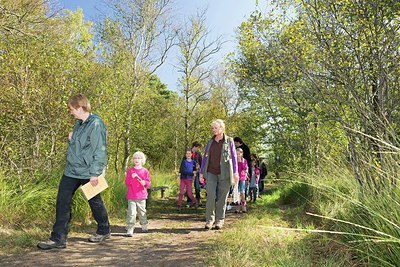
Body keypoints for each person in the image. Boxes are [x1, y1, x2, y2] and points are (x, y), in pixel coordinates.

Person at [37, 94, 110, 250]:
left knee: (95, 201)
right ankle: (58, 239)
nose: (70, 112)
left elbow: (99, 150)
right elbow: (80, 146)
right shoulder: (78, 124)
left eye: (71, 109)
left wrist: (95, 173)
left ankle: (104, 229)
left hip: (88, 171)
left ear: (80, 107)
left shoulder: (96, 124)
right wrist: (72, 139)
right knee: (62, 201)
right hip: (71, 170)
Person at [200, 119, 239, 230]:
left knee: (222, 198)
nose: (213, 130)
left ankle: (219, 221)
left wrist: (235, 172)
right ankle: (209, 220)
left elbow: (234, 158)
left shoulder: (229, 141)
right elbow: (204, 158)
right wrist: (201, 172)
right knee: (211, 196)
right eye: (212, 128)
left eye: (216, 127)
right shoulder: (210, 142)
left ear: (222, 128)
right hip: (211, 172)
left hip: (225, 173)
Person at [125, 151, 151, 236]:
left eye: (139, 158)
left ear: (142, 160)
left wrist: (145, 183)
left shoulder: (145, 171)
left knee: (142, 211)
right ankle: (130, 228)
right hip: (131, 196)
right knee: (131, 213)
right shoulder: (130, 171)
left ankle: (144, 225)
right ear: (133, 160)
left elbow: (148, 183)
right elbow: (127, 183)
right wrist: (132, 178)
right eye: (135, 158)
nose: (137, 160)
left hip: (141, 195)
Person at [235, 148, 248, 213]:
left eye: (239, 153)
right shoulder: (234, 161)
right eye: (236, 153)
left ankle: (243, 205)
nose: (238, 155)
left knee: (242, 192)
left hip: (242, 178)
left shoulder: (244, 160)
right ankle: (237, 206)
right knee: (236, 192)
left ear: (241, 154)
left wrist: (240, 161)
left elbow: (245, 168)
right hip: (236, 178)